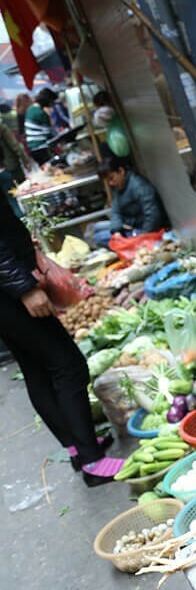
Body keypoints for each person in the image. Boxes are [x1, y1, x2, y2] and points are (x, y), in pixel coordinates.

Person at [0, 189, 123, 485]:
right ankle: (92, 461)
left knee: (36, 368)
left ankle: (77, 448)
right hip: (9, 293)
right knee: (68, 365)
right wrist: (24, 287)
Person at [98, 156, 170, 239]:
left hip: (142, 228)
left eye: (111, 178)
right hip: (129, 223)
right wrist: (116, 231)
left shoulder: (139, 186)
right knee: (97, 227)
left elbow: (153, 215)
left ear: (121, 171)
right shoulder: (119, 186)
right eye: (108, 181)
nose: (110, 183)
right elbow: (116, 210)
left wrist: (143, 236)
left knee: (100, 237)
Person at [0, 118, 31, 217]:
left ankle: (23, 221)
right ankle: (32, 218)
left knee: (10, 200)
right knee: (25, 194)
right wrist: (25, 160)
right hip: (11, 166)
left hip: (3, 170)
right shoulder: (1, 127)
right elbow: (14, 145)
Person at [24, 88, 57, 164]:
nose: (51, 104)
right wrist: (49, 114)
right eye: (51, 102)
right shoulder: (40, 112)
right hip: (41, 147)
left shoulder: (30, 109)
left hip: (33, 148)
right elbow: (50, 128)